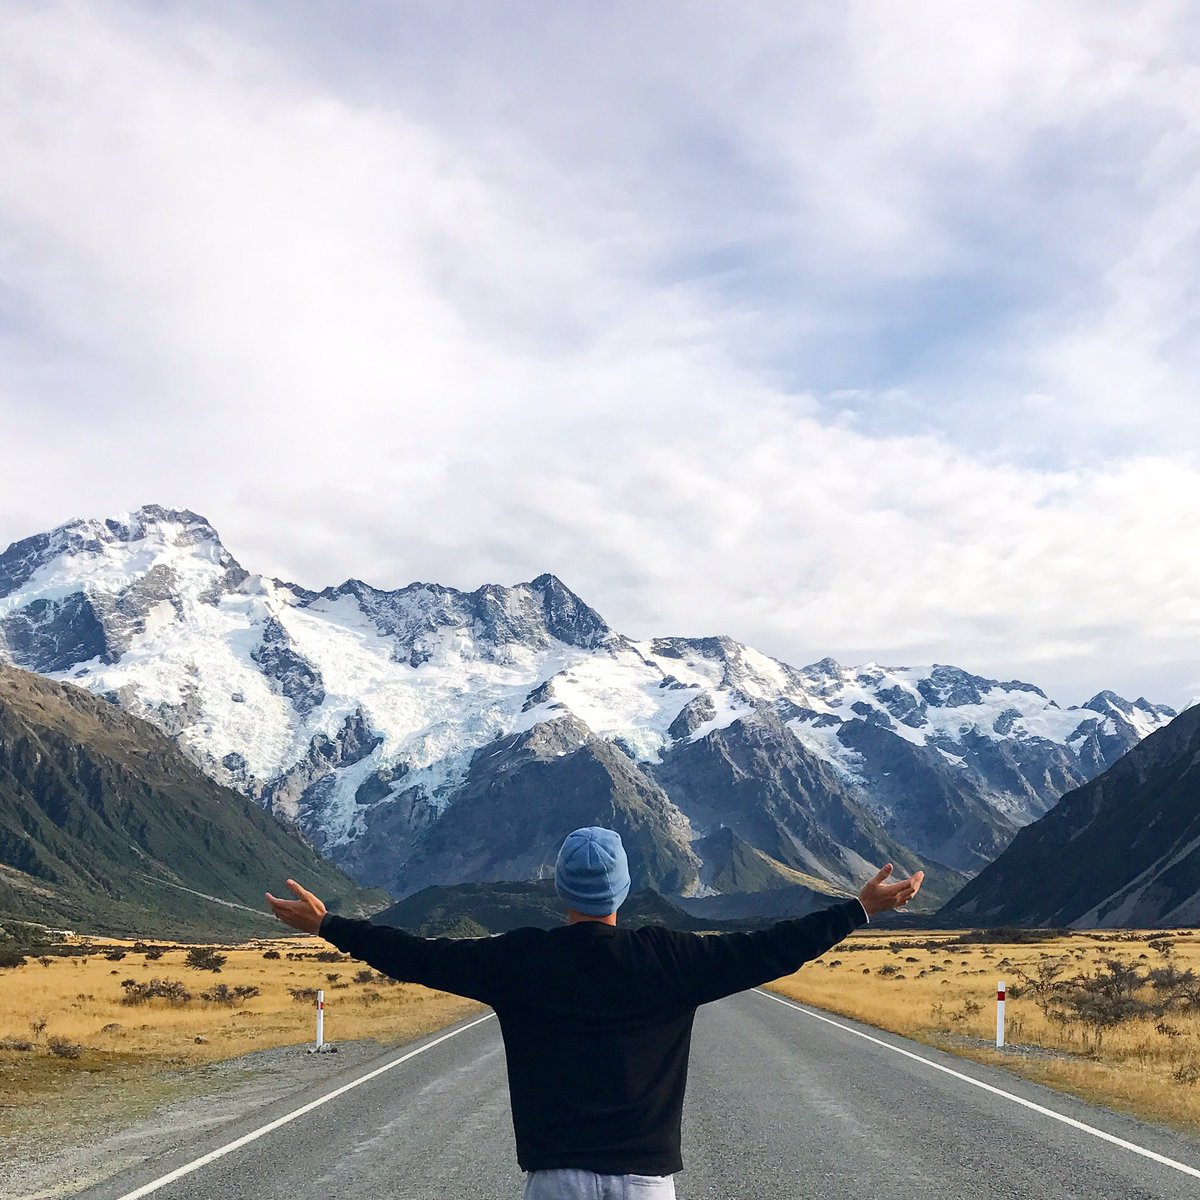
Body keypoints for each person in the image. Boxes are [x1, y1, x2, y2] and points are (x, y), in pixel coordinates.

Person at [267, 827, 923, 1199]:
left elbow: (417, 957)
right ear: (625, 888)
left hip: (554, 1181)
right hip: (645, 1183)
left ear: (560, 889)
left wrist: (330, 925)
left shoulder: (520, 959)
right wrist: (860, 908)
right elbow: (772, 949)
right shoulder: (670, 958)